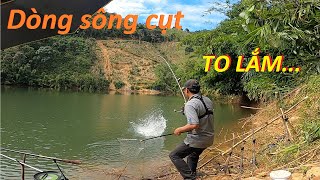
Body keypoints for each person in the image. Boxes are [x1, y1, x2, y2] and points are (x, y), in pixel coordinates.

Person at [169, 79, 214, 180]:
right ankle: (192, 173)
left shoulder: (190, 104)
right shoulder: (208, 100)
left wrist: (179, 129)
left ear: (187, 90)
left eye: (184, 89)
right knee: (193, 155)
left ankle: (190, 178)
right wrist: (186, 110)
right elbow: (203, 113)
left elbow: (194, 125)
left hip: (198, 139)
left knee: (174, 155)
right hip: (209, 138)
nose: (184, 91)